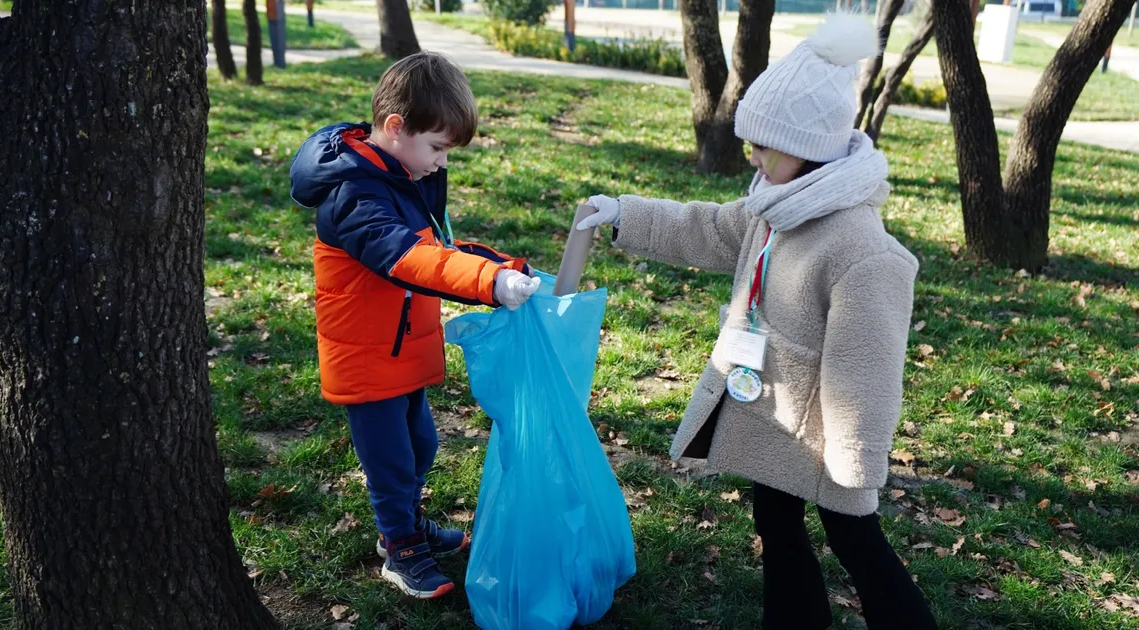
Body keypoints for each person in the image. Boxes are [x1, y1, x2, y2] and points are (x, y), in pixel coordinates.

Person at [576, 14, 938, 629]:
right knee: (774, 522)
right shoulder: (775, 205)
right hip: (772, 414)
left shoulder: (863, 252)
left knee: (858, 545)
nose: (750, 154)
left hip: (826, 437)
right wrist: (625, 216)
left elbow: (868, 370)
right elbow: (710, 227)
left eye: (763, 143)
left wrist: (856, 459)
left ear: (810, 146)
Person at [289, 51, 540, 600]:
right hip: (367, 353)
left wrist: (504, 270)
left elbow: (440, 250)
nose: (441, 164)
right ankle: (400, 548)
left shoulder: (399, 175)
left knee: (420, 445)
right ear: (396, 128)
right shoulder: (354, 194)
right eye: (438, 149)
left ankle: (404, 524)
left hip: (399, 348)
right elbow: (408, 258)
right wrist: (485, 284)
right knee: (392, 460)